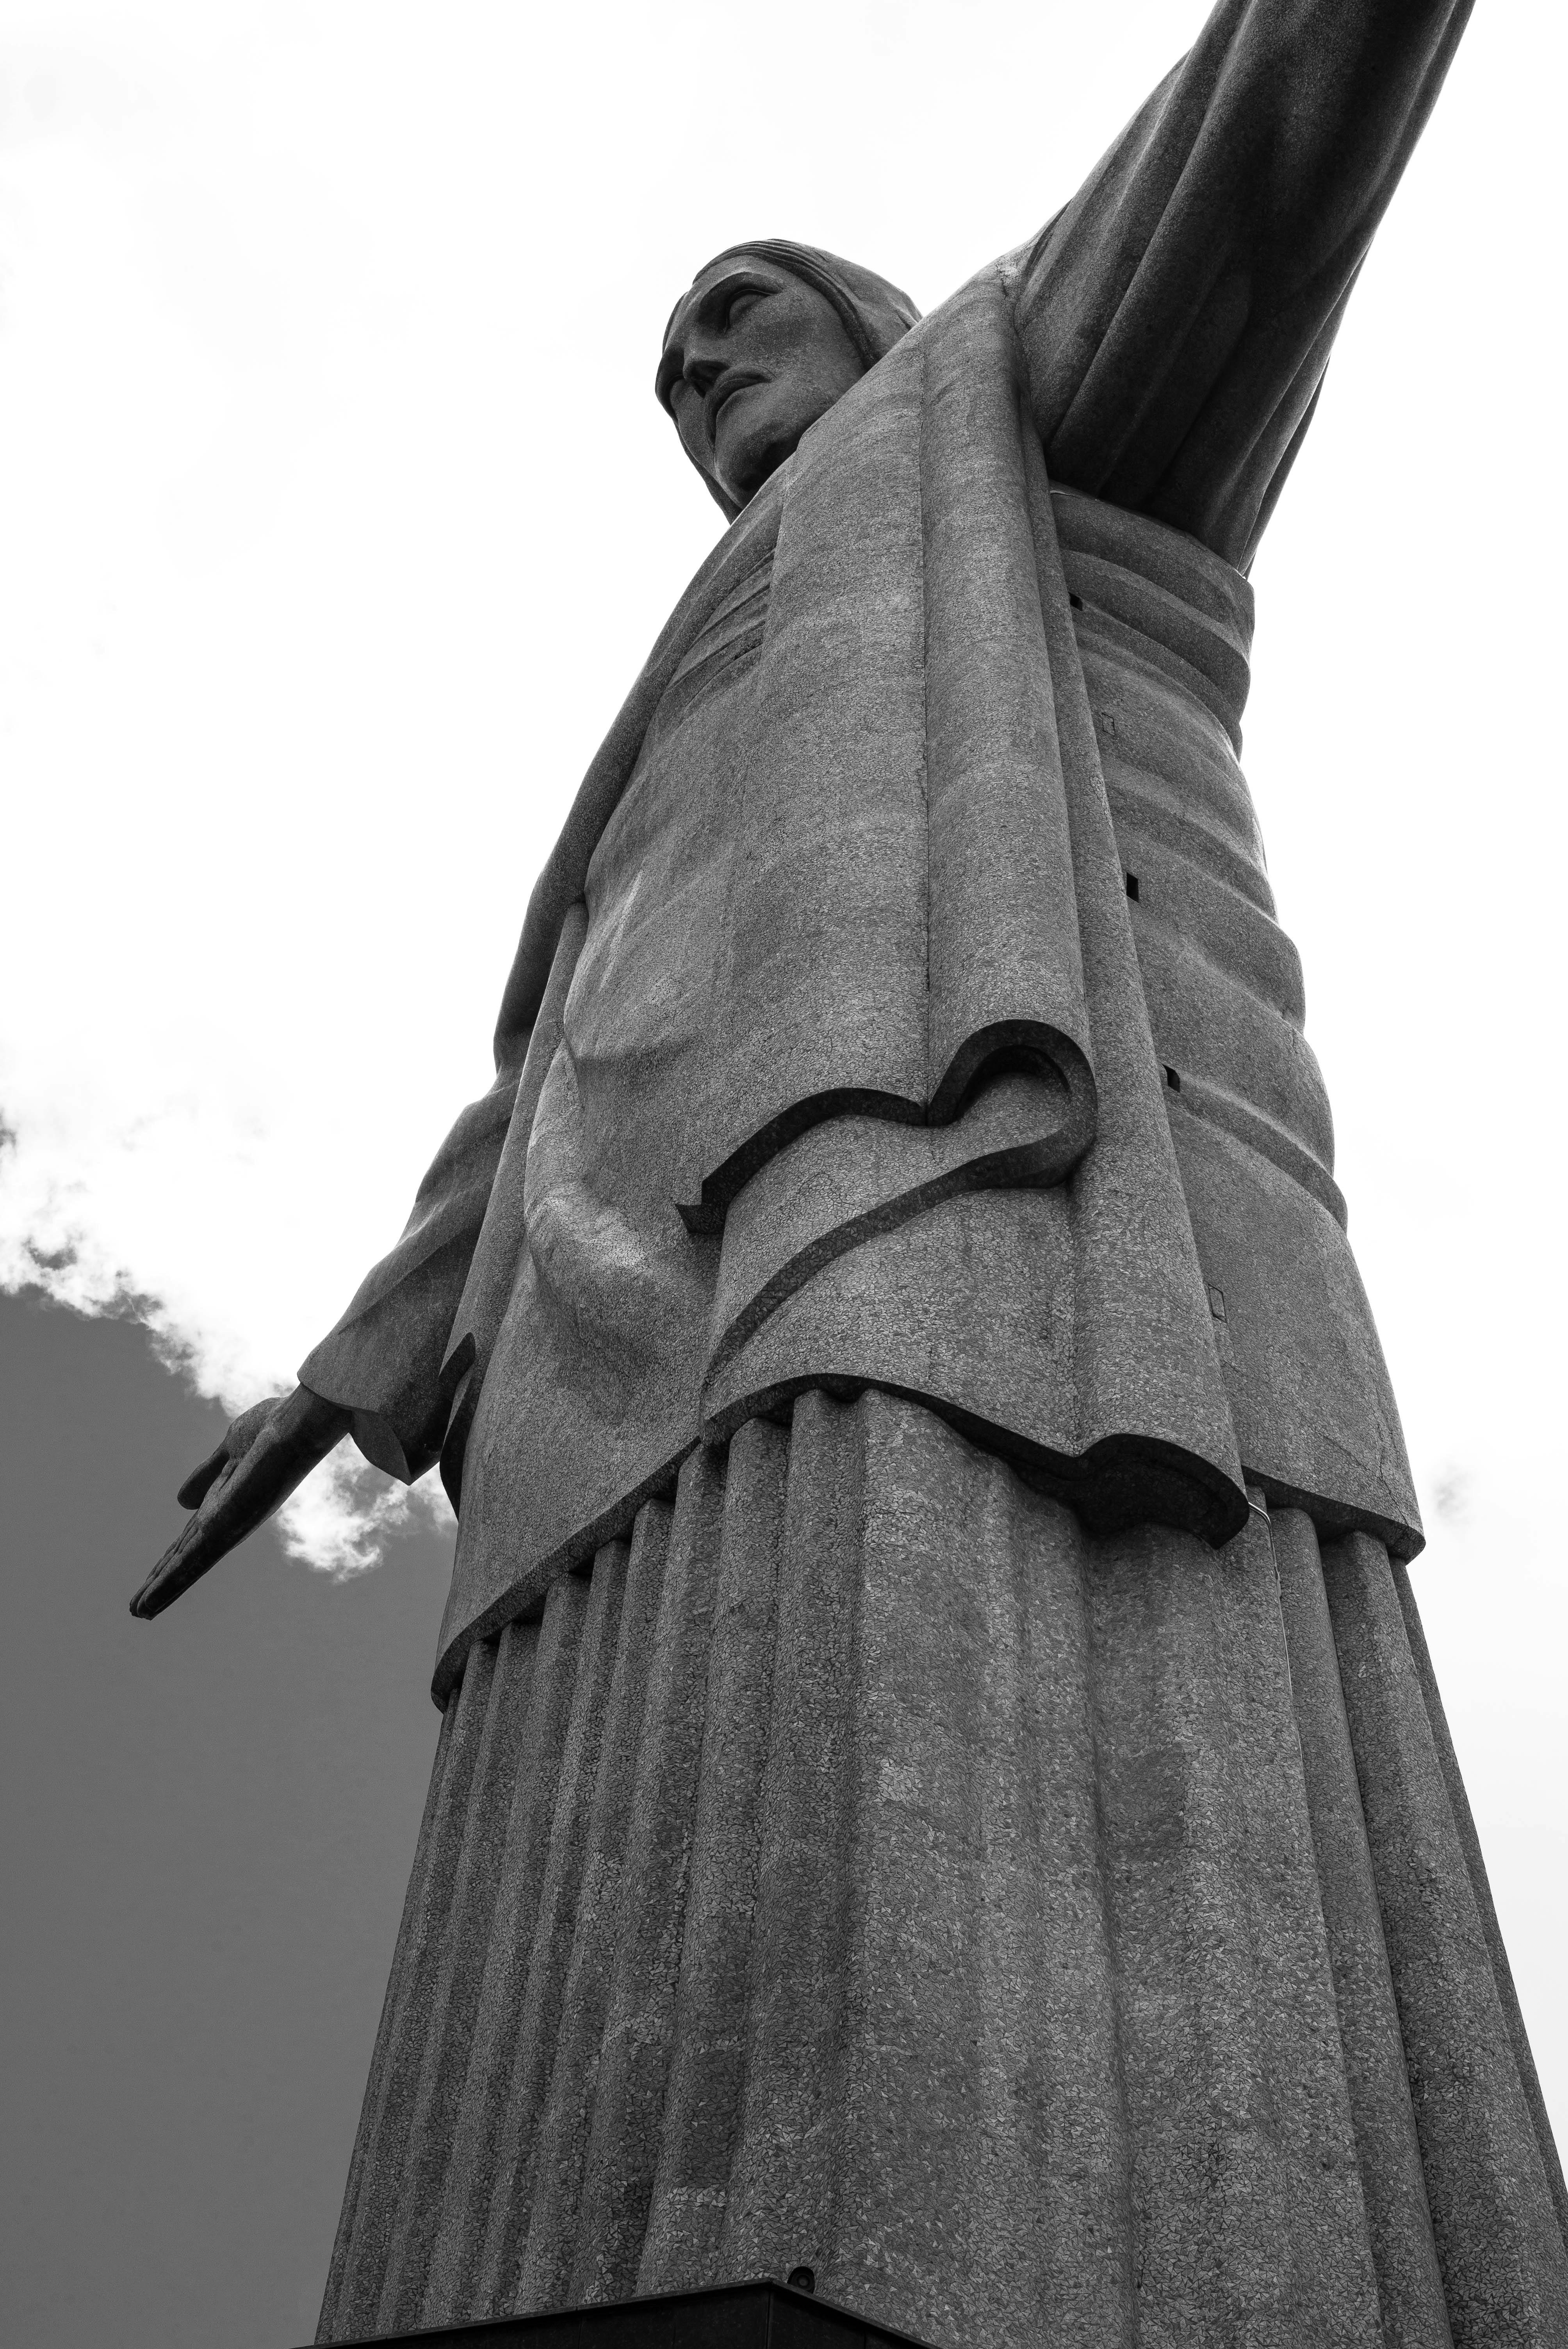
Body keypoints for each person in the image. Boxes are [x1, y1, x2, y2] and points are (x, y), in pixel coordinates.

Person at [134, 3, 1568, 2344]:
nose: (696, 367)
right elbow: (546, 1058)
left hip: (977, 1184)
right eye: (672, 369)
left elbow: (1276, 138)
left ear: (876, 319)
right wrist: (358, 1361)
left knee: (941, 1715)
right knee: (602, 1914)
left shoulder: (1031, 405)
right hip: (608, 1298)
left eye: (737, 310)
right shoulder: (690, 685)